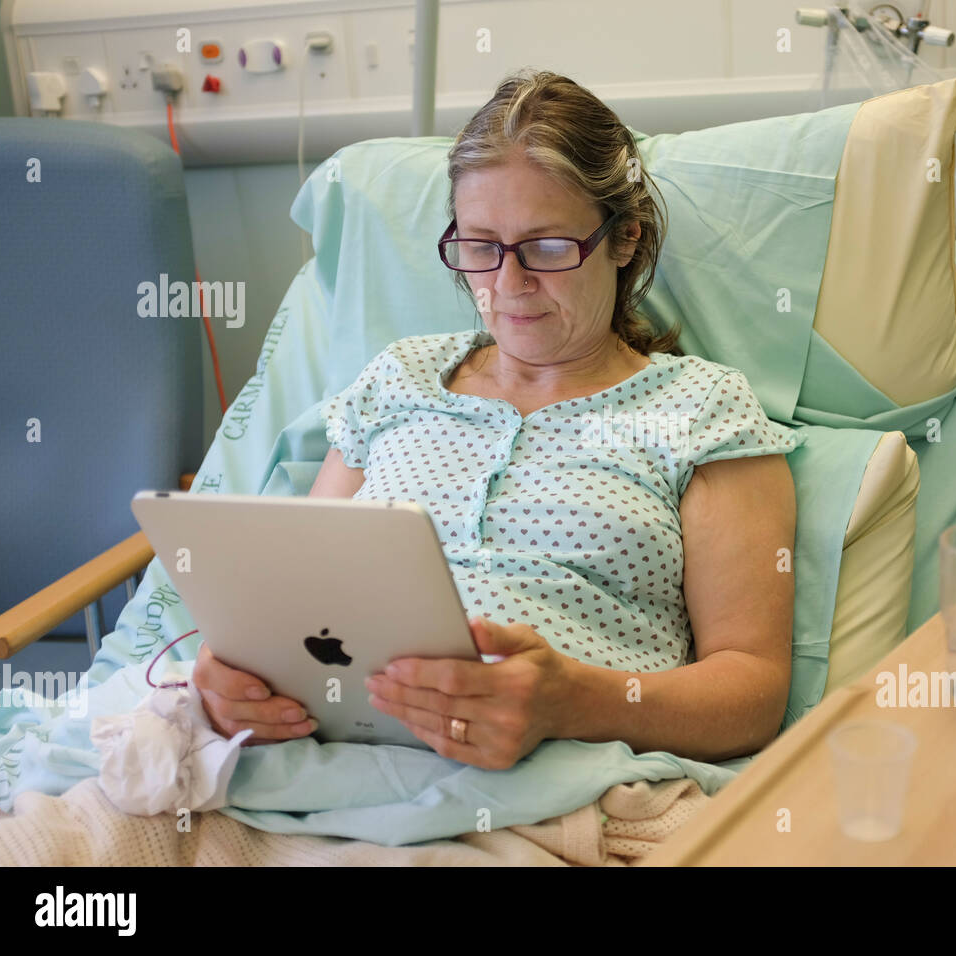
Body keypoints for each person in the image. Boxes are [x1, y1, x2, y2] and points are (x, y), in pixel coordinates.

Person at [193, 69, 798, 771]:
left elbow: (752, 690)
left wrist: (575, 702)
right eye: (480, 247)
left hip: (554, 785)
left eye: (545, 247)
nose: (507, 287)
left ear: (624, 238)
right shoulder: (399, 378)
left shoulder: (702, 410)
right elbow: (294, 601)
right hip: (319, 765)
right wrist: (230, 677)